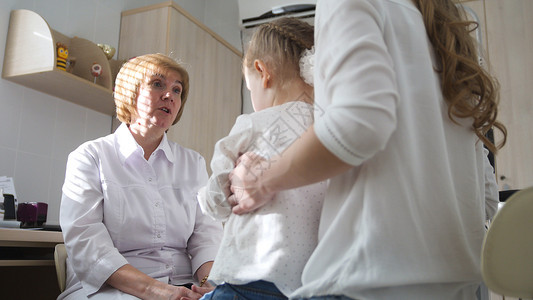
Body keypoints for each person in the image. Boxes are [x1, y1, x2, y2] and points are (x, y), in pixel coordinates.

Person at [228, 1, 507, 299]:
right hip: (460, 287)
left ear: (261, 71)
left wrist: (262, 178)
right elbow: (486, 200)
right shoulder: (449, 35)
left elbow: (358, 124)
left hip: (369, 282)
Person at [59, 53, 223, 300]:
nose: (169, 95)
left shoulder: (193, 163)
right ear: (129, 92)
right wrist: (157, 291)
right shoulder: (90, 157)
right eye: (158, 84)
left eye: (177, 90)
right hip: (111, 288)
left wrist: (208, 286)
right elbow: (87, 243)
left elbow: (206, 238)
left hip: (183, 285)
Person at [196, 17, 327, 300]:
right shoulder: (329, 133)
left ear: (262, 72)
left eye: (249, 86)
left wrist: (204, 196)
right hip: (305, 284)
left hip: (246, 276)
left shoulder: (253, 124)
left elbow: (218, 202)